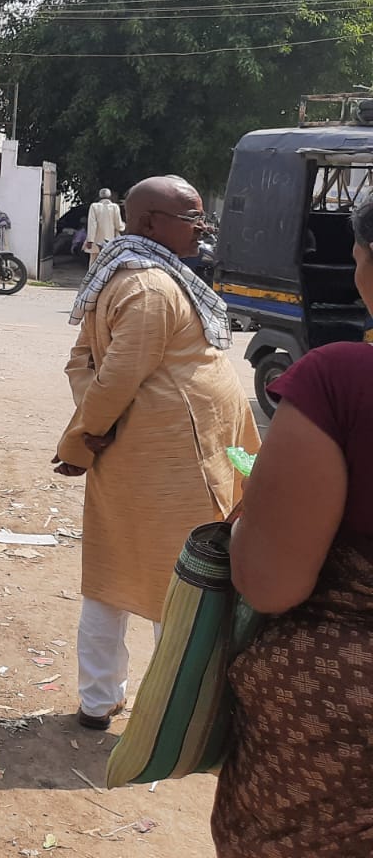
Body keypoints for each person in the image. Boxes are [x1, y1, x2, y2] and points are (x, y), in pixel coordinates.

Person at [53, 175, 258, 730]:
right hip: (168, 458)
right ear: (148, 223)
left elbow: (86, 367)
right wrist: (84, 438)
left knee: (114, 574)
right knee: (181, 581)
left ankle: (102, 700)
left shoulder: (135, 275)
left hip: (151, 449)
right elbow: (111, 373)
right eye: (191, 217)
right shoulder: (149, 286)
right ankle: (176, 710)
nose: (202, 226)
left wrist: (90, 433)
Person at [211, 196, 373, 856]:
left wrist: (254, 507)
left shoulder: (340, 382)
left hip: (336, 742)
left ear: (366, 264)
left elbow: (270, 585)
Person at [84, 188, 125, 268]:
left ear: (99, 196)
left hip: (96, 240)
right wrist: (123, 226)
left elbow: (92, 224)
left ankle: (91, 279)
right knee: (108, 263)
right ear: (110, 196)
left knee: (93, 263)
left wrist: (90, 240)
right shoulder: (115, 207)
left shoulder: (94, 206)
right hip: (110, 241)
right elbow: (118, 225)